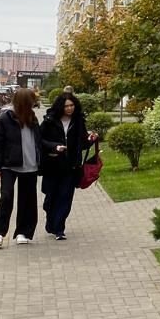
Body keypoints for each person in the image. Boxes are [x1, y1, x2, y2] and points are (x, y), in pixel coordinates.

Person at [0, 89, 43, 248]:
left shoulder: (33, 119)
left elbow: (38, 141)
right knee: (6, 197)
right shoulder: (4, 119)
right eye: (30, 102)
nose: (33, 105)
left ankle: (23, 232)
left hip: (30, 165)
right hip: (9, 165)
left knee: (27, 200)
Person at [39, 92, 90, 241]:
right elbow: (39, 140)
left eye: (72, 105)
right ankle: (51, 220)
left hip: (71, 166)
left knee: (65, 197)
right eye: (66, 106)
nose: (69, 108)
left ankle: (59, 228)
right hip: (53, 165)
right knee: (51, 196)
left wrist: (91, 139)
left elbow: (83, 143)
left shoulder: (78, 121)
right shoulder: (50, 120)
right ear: (60, 107)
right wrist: (54, 147)